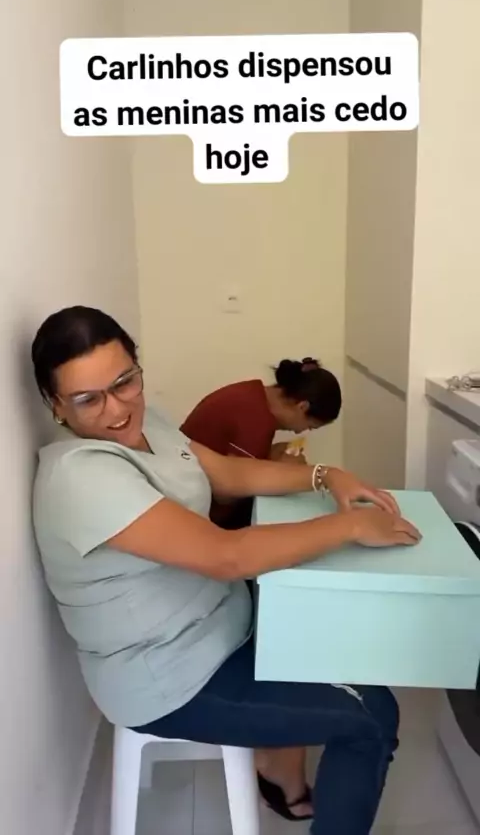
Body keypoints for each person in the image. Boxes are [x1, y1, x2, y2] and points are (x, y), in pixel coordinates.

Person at [31, 306, 420, 835]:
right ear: (55, 404)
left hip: (222, 623)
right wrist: (350, 526)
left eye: (124, 382)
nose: (116, 409)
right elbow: (225, 555)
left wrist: (326, 475)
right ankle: (283, 762)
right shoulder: (81, 476)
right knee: (372, 718)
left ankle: (277, 764)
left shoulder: (147, 424)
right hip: (176, 675)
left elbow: (229, 474)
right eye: (87, 398)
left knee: (333, 625)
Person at [181, 357, 342, 528]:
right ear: (302, 407)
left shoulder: (254, 393)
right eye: (309, 426)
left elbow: (230, 460)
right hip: (196, 511)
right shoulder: (256, 420)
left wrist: (270, 455)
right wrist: (285, 471)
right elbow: (226, 494)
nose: (300, 432)